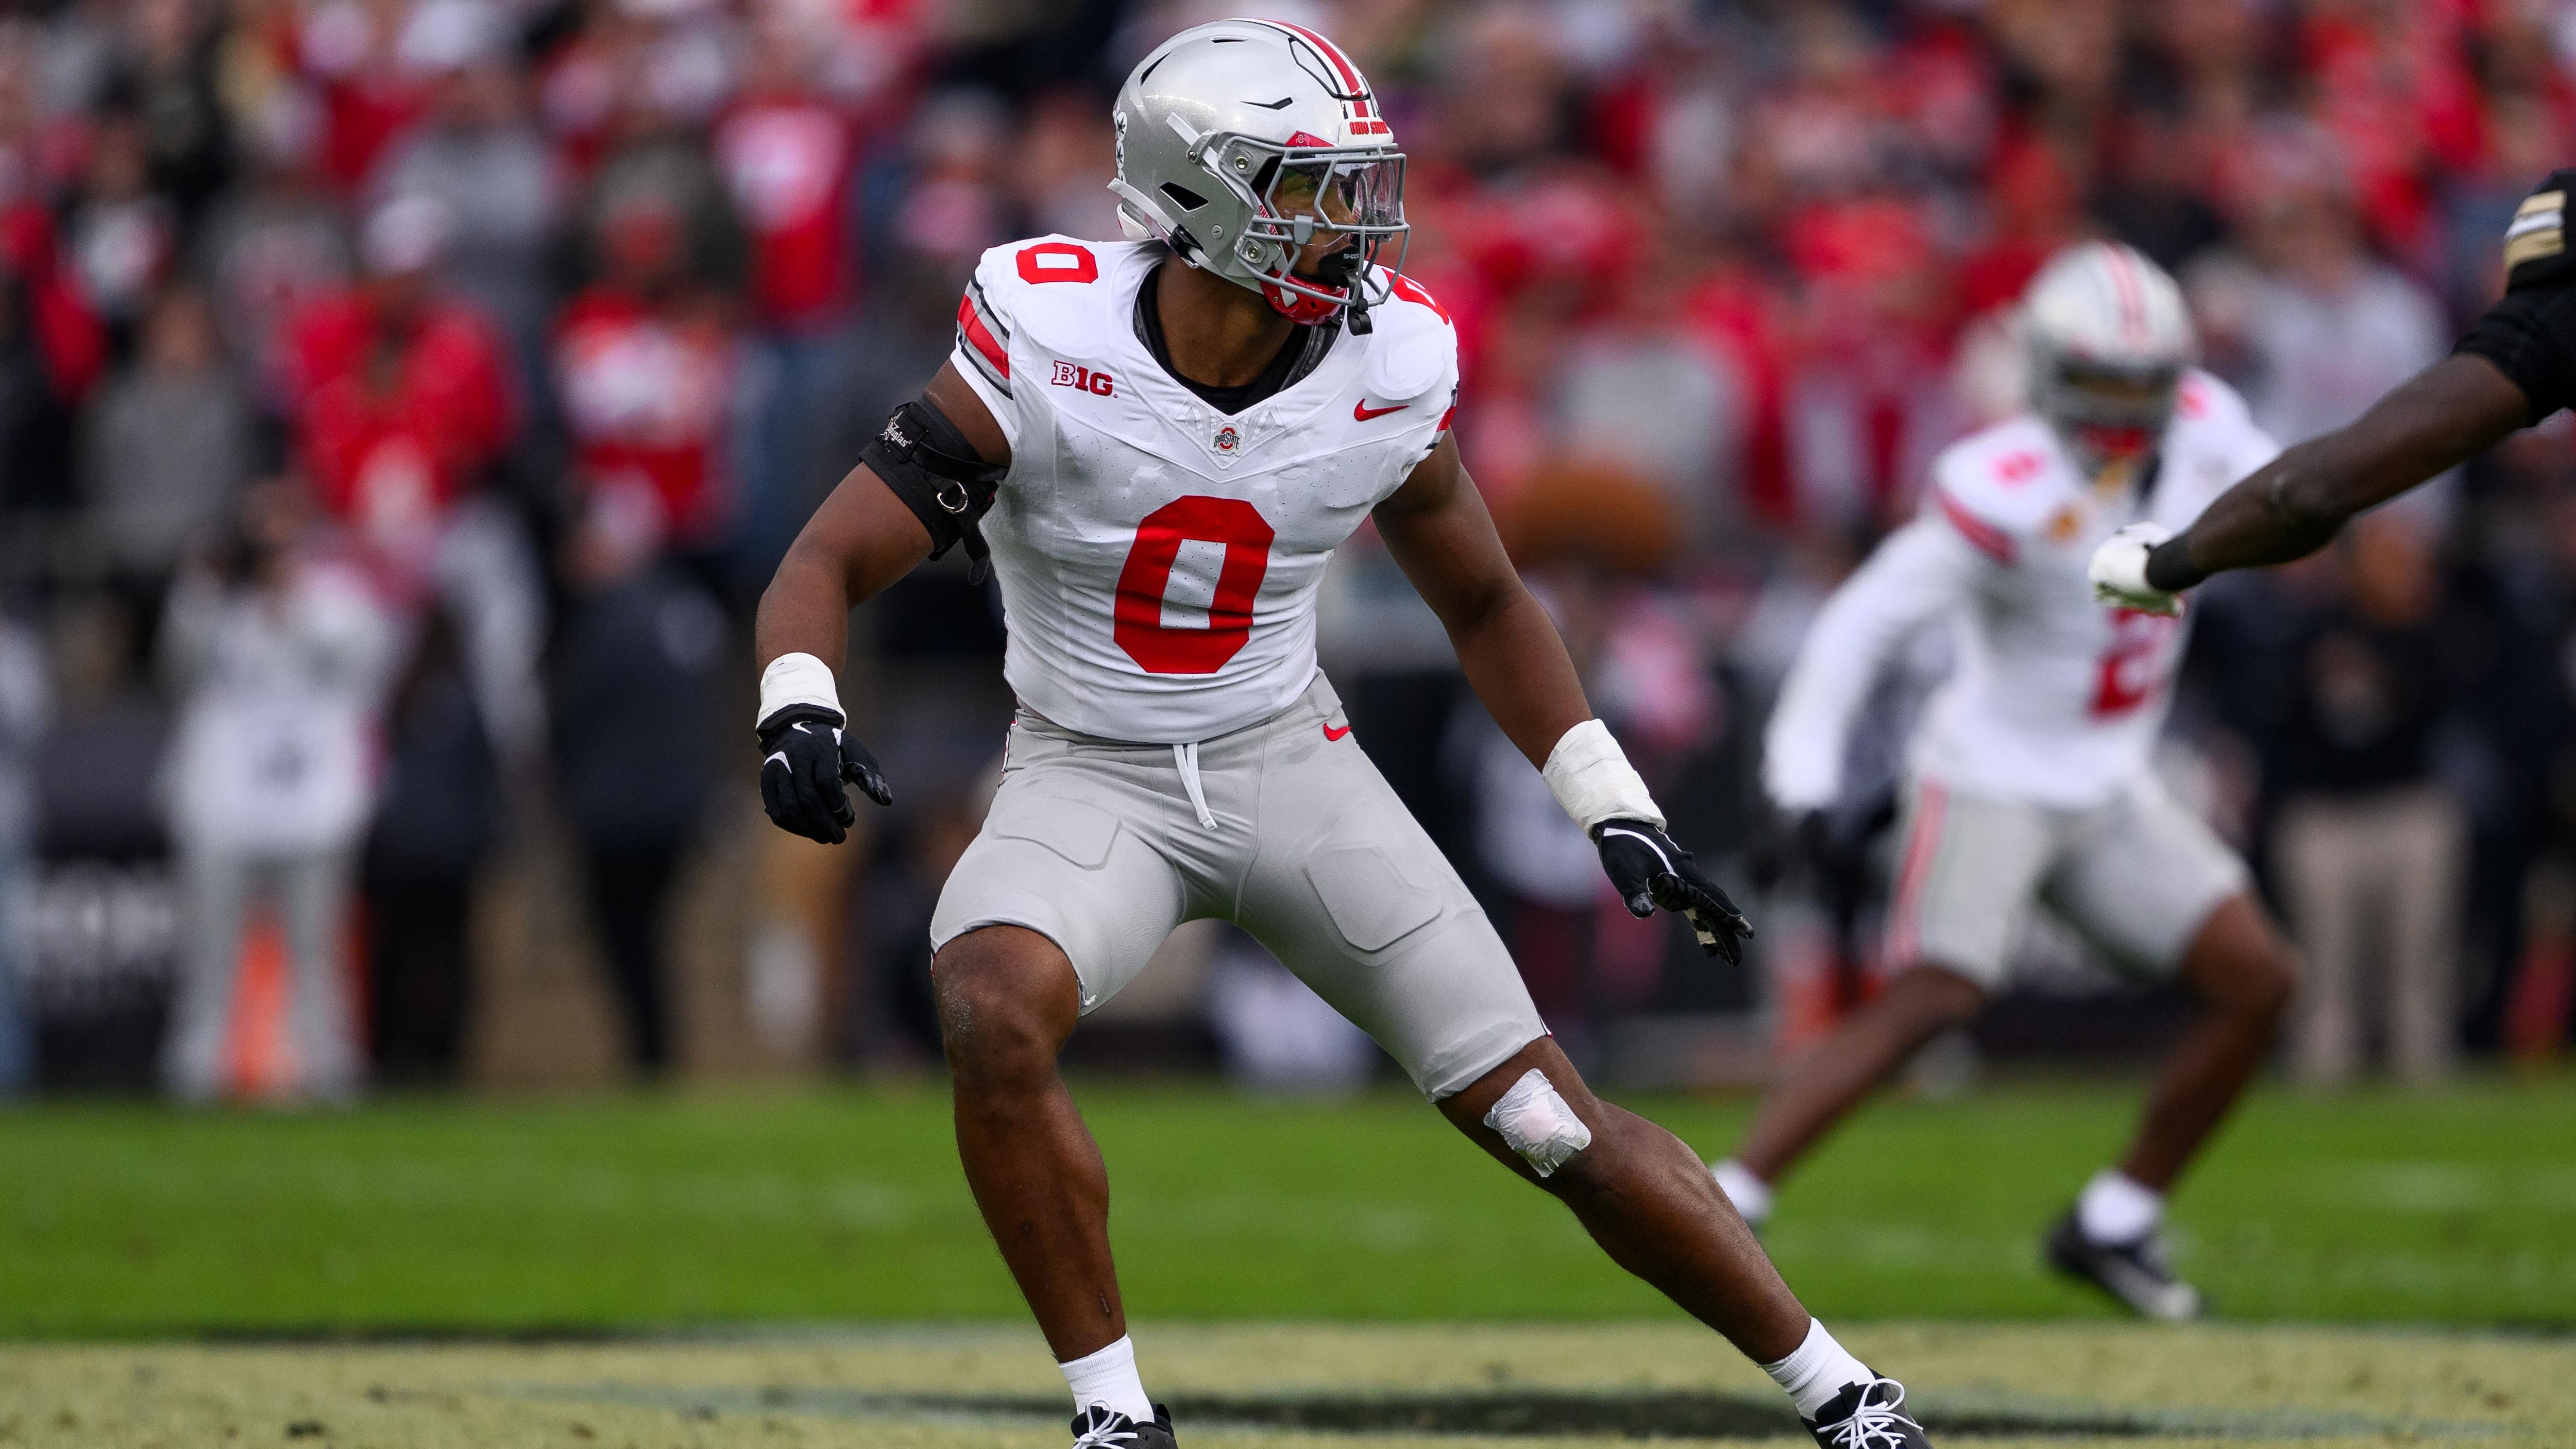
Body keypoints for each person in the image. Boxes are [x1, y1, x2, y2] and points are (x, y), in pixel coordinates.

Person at [750, 23, 1928, 1449]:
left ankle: (1844, 1394)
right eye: (1309, 186)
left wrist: (1611, 800)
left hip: (1289, 762)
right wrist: (799, 696)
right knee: (992, 1009)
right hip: (1091, 767)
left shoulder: (1388, 357)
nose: (1354, 220)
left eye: (1356, 183)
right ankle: (1114, 1415)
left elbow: (1486, 596)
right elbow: (825, 556)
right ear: (1196, 196)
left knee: (1545, 1119)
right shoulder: (1046, 331)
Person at [1714, 244, 2300, 1321]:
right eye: (2102, 383)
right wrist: (1797, 774)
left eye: (2144, 383)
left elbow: (2302, 496)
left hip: (2113, 783)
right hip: (1989, 773)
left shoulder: (2212, 427)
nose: (2125, 410)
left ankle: (2115, 1218)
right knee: (1941, 991)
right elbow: (1864, 624)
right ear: (2042, 372)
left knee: (2259, 979)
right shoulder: (2004, 482)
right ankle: (1727, 1194)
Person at [2092, 165, 2576, 614]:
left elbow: (2312, 491)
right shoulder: (2261, 303)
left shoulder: (2408, 312)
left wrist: (2161, 565)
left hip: (2357, 517)